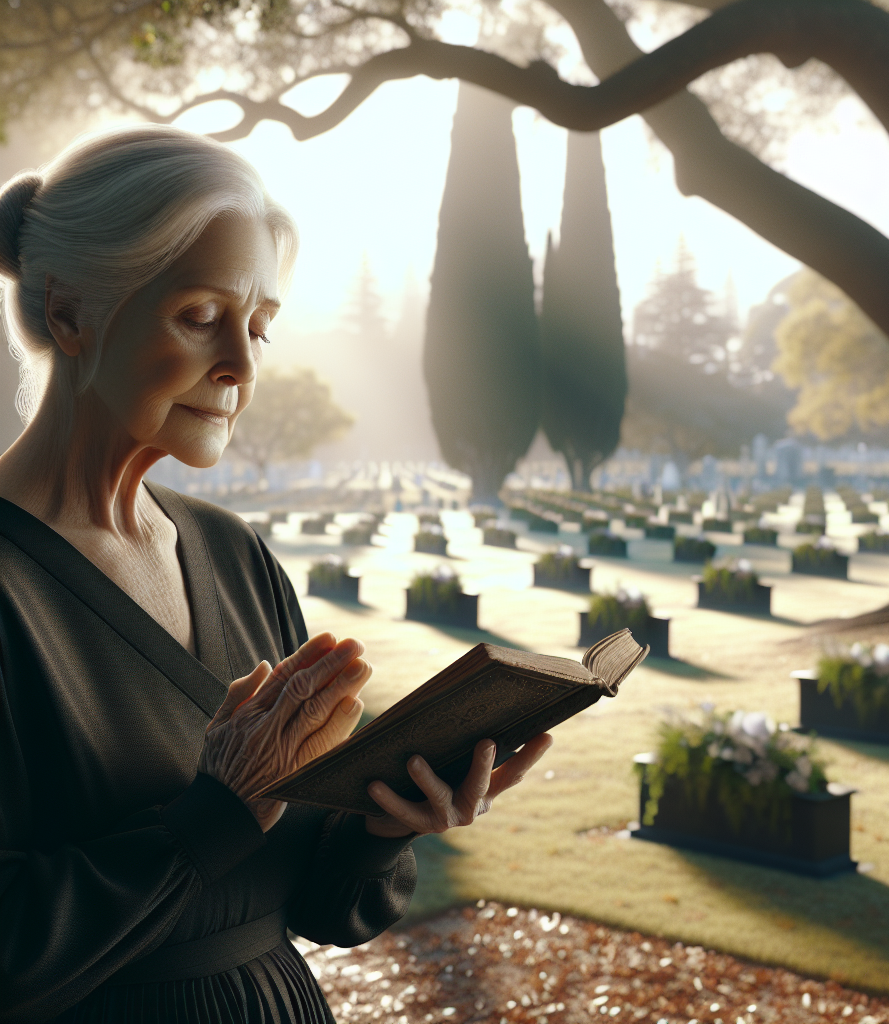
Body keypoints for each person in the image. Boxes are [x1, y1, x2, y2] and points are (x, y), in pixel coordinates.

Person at [0, 124, 552, 1024]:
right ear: (69, 313)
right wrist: (217, 813)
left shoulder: (235, 554)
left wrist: (381, 823)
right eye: (200, 315)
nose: (243, 366)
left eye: (260, 325)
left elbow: (321, 906)